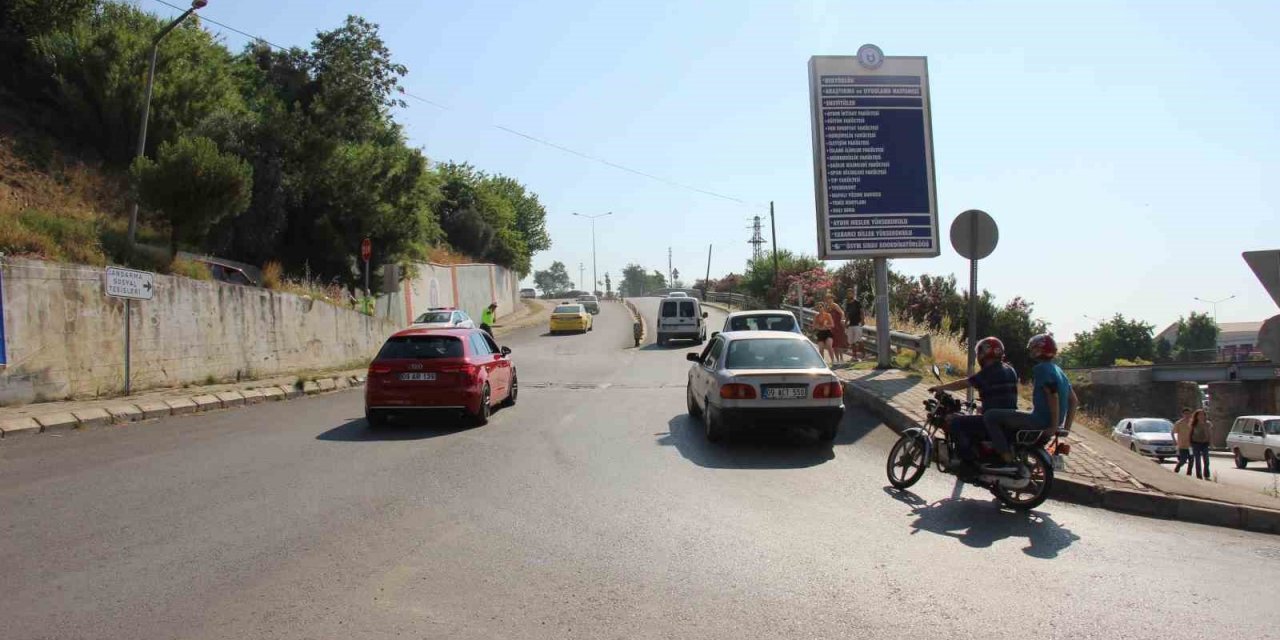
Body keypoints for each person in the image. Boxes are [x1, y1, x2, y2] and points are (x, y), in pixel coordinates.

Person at [982, 333, 1078, 474]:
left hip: (1039, 421)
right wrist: (1065, 428)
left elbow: (1053, 396)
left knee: (991, 416)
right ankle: (1016, 454)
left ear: (1040, 350)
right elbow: (1074, 401)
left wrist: (1052, 426)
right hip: (1049, 422)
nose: (1031, 351)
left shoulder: (1042, 369)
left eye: (1033, 348)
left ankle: (1005, 457)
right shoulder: (1059, 371)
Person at [927, 337, 1020, 476]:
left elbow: (965, 383)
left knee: (956, 423)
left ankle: (968, 463)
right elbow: (1001, 394)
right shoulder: (1010, 370)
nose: (979, 356)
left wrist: (941, 387)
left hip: (994, 420)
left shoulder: (989, 371)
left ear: (984, 354)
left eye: (980, 353)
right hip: (1008, 417)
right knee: (972, 421)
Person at [1190, 408, 1213, 480]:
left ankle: (1206, 474)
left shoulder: (1208, 423)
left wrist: (1211, 443)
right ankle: (1199, 475)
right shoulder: (1193, 423)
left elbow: (1210, 434)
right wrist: (1189, 443)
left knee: (1206, 460)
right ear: (1196, 416)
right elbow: (1190, 434)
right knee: (1197, 460)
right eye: (1199, 415)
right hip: (1195, 443)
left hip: (1205, 443)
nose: (1201, 416)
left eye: (1203, 415)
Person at [1171, 408, 1194, 475]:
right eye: (1185, 414)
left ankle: (1189, 474)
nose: (1187, 415)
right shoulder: (1179, 423)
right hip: (1182, 445)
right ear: (1183, 414)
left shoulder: (1193, 423)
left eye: (1188, 413)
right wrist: (1175, 441)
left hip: (1190, 446)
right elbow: (1173, 433)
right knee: (1183, 460)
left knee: (1191, 460)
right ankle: (1178, 467)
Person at [844, 289, 865, 360]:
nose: (850, 295)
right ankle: (854, 356)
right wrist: (846, 322)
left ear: (853, 294)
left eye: (851, 293)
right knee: (852, 341)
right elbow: (847, 314)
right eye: (848, 293)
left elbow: (862, 312)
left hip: (857, 324)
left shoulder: (857, 303)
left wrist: (862, 320)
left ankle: (863, 353)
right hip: (851, 324)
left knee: (858, 340)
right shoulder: (848, 304)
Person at [827, 296, 847, 365]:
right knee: (834, 345)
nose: (829, 301)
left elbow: (842, 313)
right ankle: (837, 360)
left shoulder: (835, 305)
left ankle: (841, 359)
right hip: (832, 328)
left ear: (832, 299)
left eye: (830, 299)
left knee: (839, 344)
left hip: (838, 327)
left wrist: (842, 319)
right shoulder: (828, 308)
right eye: (828, 300)